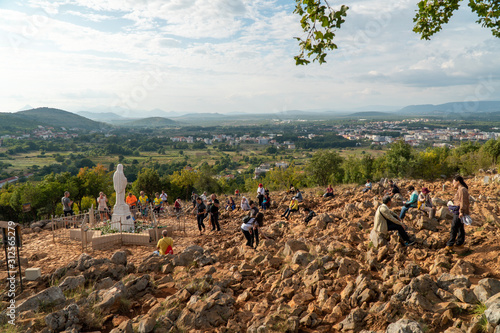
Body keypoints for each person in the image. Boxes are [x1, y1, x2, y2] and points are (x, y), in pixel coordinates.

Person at [446, 176, 470, 250]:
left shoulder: (462, 190)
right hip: (458, 210)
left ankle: (450, 244)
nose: (453, 184)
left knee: (454, 227)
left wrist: (461, 211)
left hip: (459, 211)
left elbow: (463, 202)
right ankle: (460, 243)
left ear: (458, 181)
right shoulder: (460, 189)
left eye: (453, 182)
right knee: (460, 227)